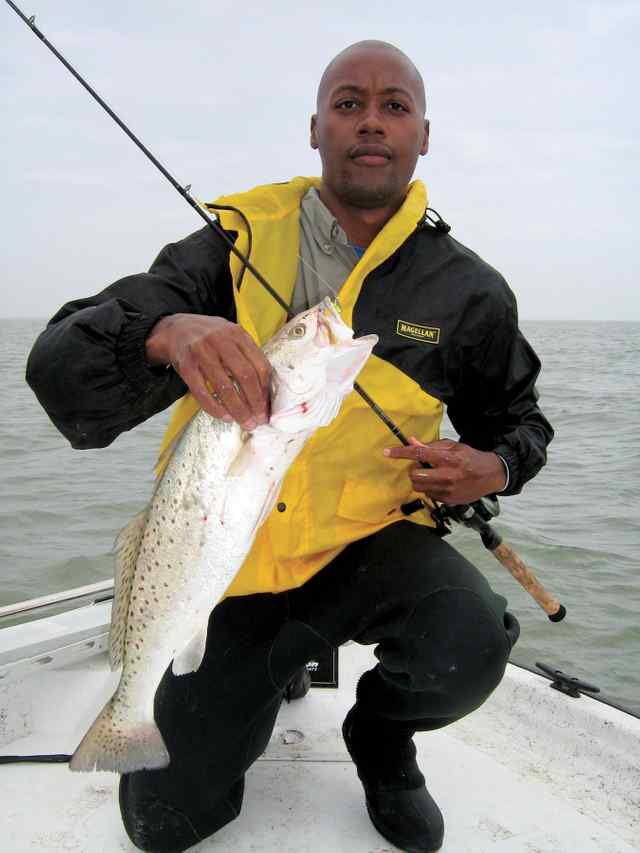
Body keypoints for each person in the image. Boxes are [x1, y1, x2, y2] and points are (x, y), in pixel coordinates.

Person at [26, 40, 553, 853]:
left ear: (423, 134)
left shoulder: (469, 290)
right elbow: (60, 372)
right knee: (163, 824)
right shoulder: (229, 240)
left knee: (471, 642)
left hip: (372, 544)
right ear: (315, 129)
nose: (370, 122)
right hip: (229, 564)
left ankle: (380, 741)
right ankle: (263, 673)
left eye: (393, 106)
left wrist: (499, 463)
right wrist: (165, 331)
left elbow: (520, 420)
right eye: (348, 104)